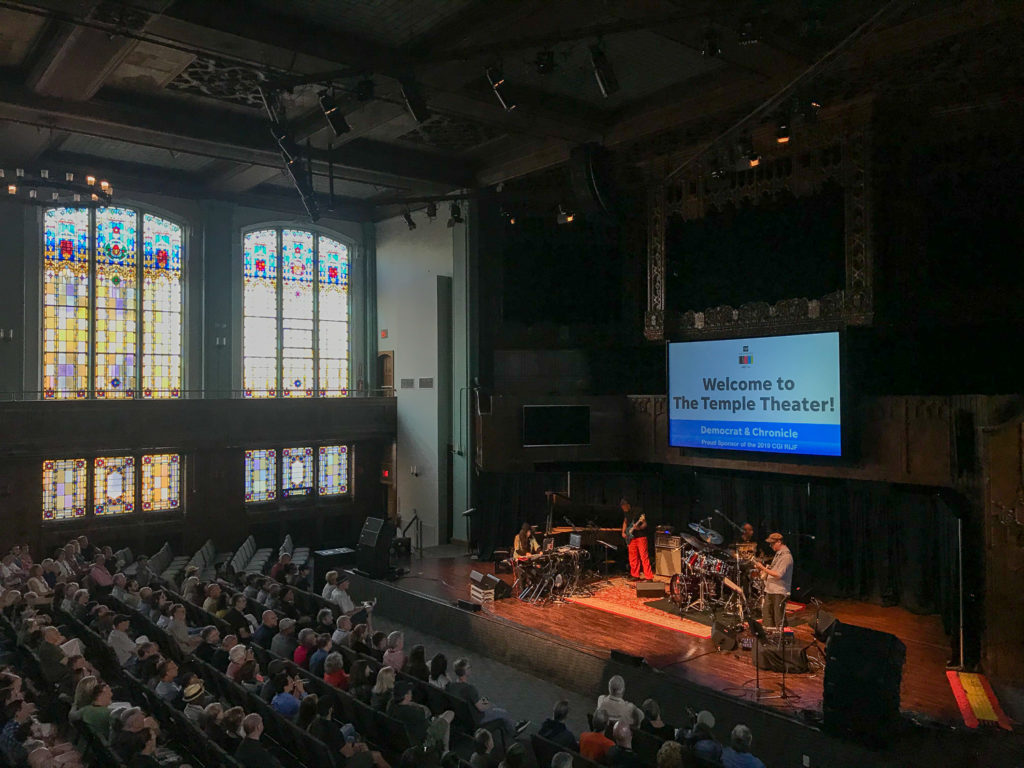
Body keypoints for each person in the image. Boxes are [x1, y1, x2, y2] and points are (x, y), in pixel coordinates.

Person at [446, 658, 527, 736]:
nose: (470, 669)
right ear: (465, 672)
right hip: (477, 718)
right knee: (503, 712)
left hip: (464, 716)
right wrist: (486, 701)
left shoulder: (451, 686)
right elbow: (481, 708)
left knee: (494, 706)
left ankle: (508, 724)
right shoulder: (469, 688)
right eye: (468, 667)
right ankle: (514, 731)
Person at [754, 533, 794, 628]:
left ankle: (782, 639)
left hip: (779, 591)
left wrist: (763, 568)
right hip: (771, 589)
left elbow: (779, 574)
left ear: (779, 542)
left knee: (778, 618)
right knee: (767, 616)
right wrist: (768, 568)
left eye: (772, 543)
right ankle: (770, 637)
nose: (770, 546)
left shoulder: (786, 557)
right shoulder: (778, 554)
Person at [619, 499, 653, 581]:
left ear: (627, 505)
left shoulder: (638, 511)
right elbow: (625, 521)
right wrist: (623, 531)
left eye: (624, 507)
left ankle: (649, 577)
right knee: (633, 557)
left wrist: (639, 527)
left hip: (641, 536)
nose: (623, 509)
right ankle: (635, 575)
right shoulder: (626, 512)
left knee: (644, 557)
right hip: (631, 537)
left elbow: (645, 524)